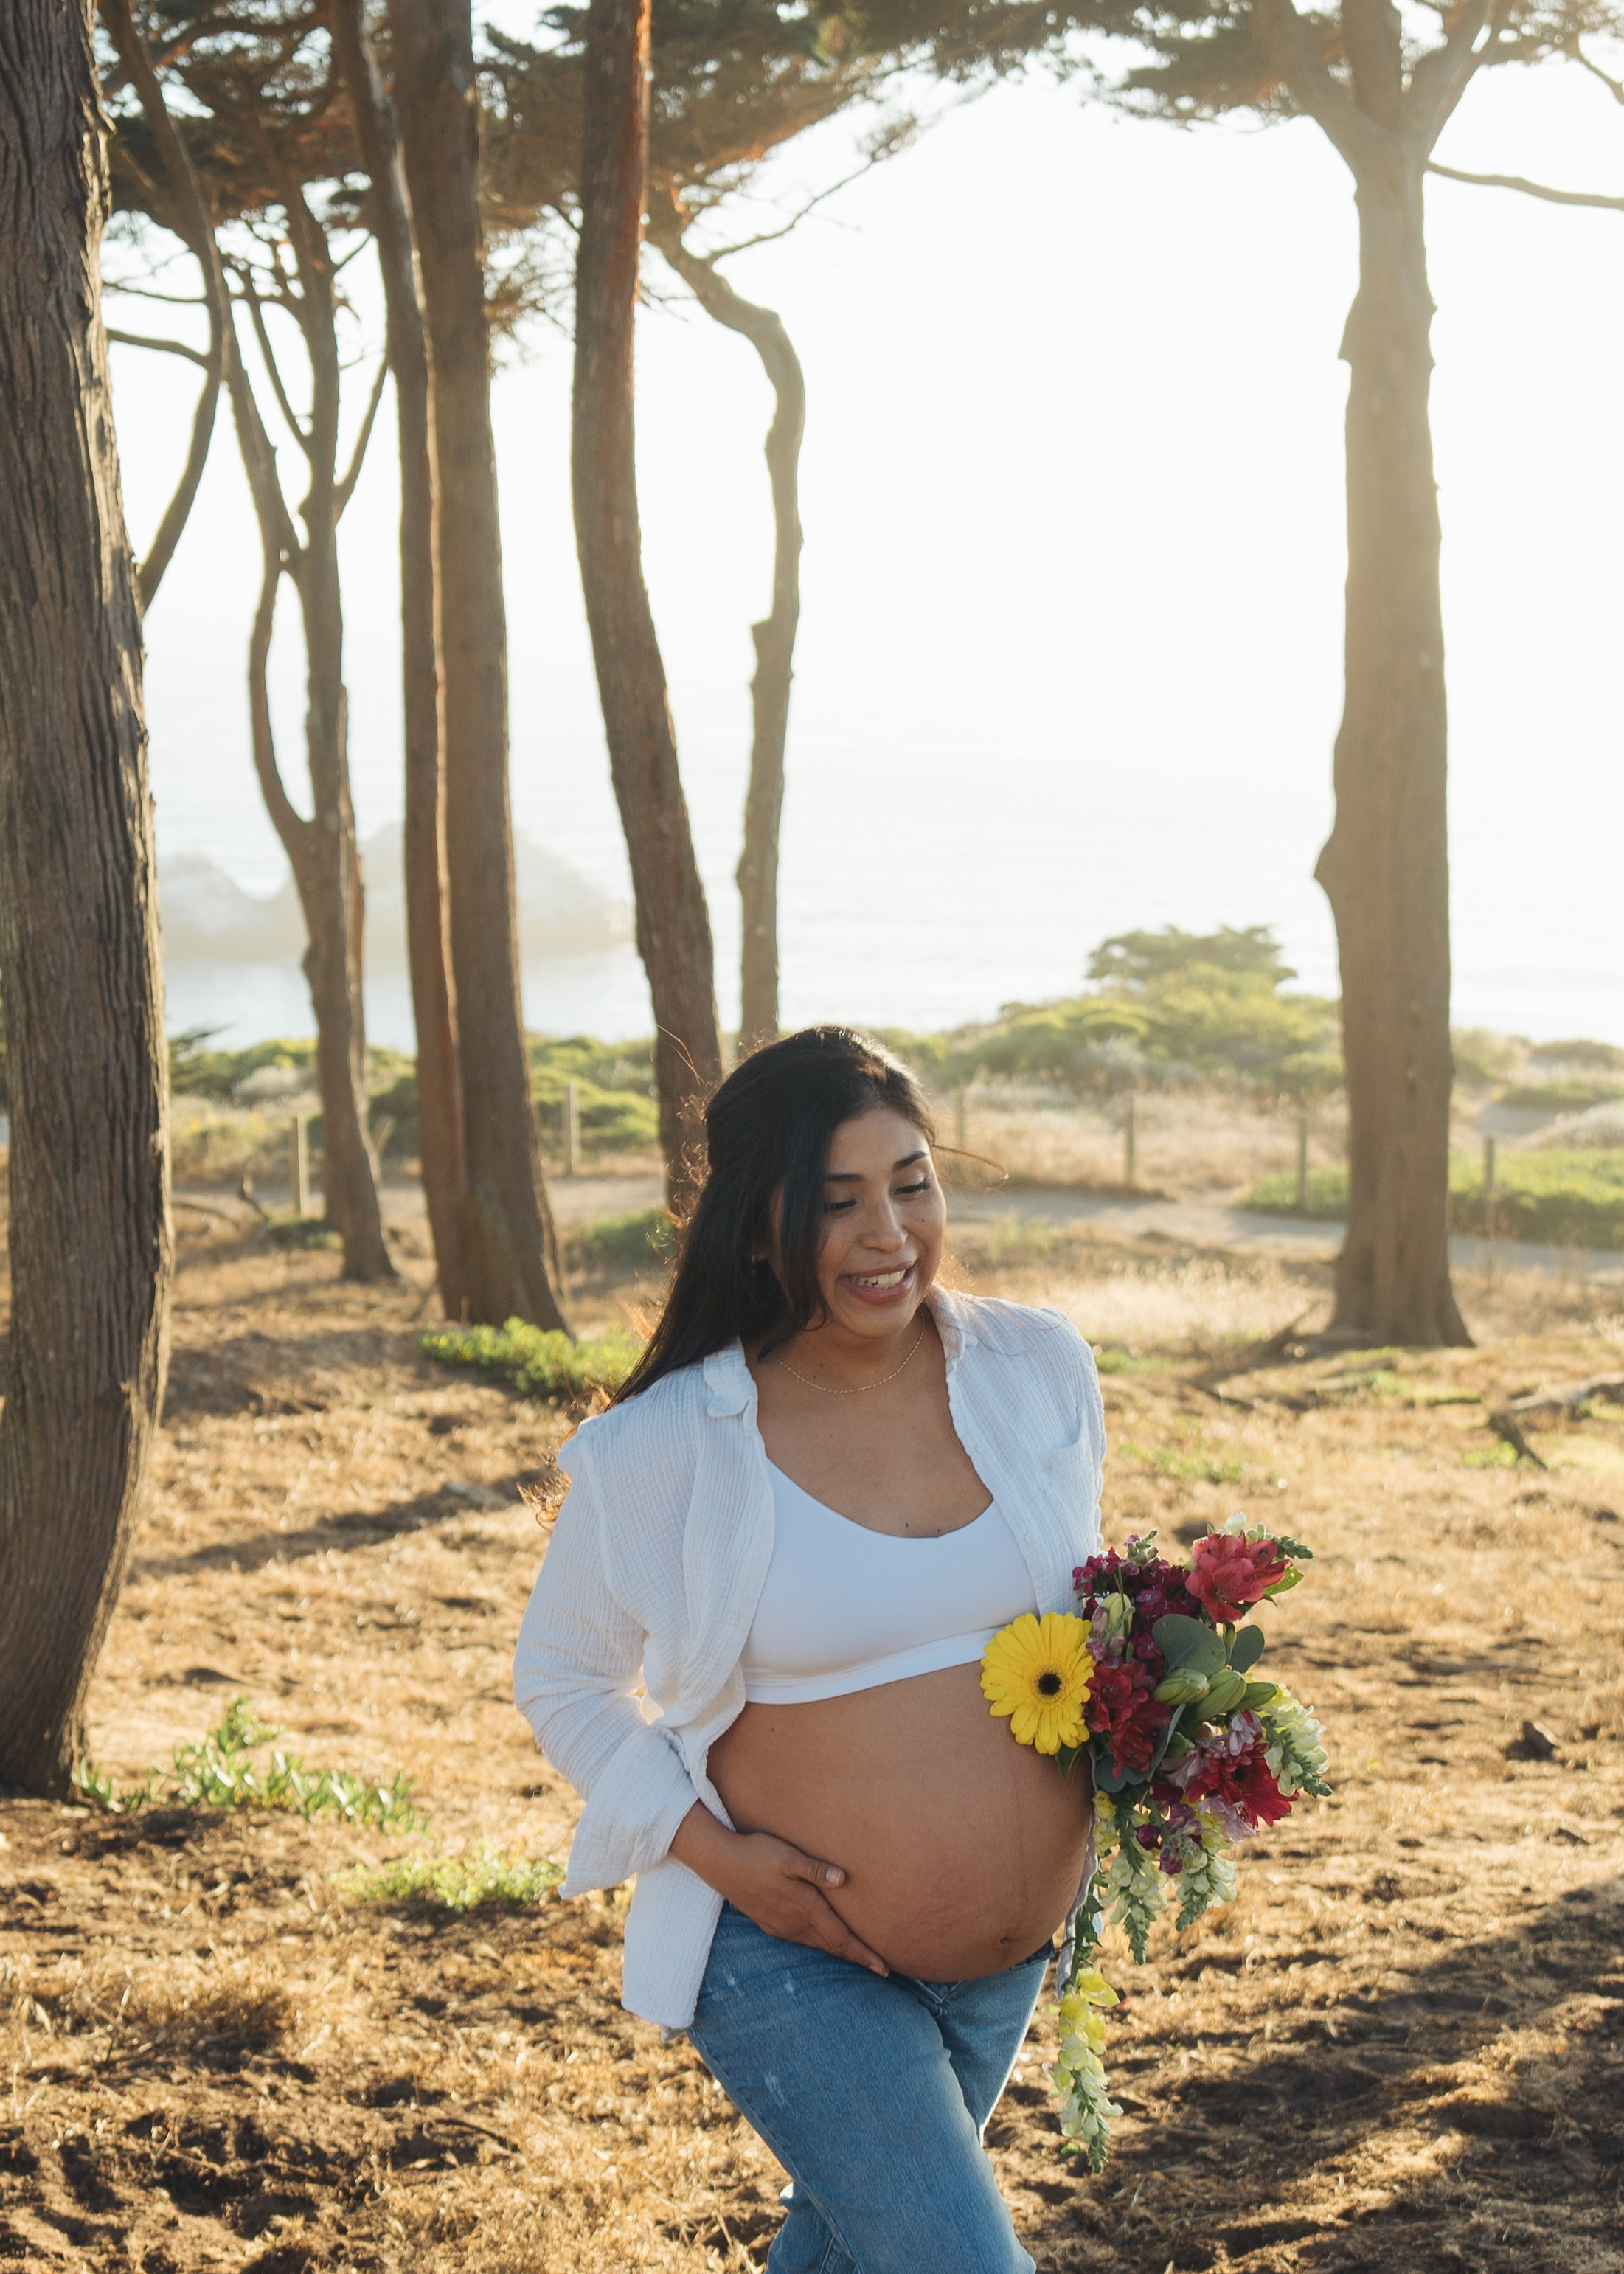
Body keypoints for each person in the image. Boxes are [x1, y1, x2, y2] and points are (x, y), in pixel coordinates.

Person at [513, 1028, 1106, 2272]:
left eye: (910, 1182)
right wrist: (714, 1856)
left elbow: (1082, 1607)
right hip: (787, 1953)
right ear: (753, 1227)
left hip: (1004, 1966)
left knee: (850, 2254)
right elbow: (563, 1677)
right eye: (835, 1202)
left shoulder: (1037, 1368)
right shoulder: (665, 1447)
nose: (888, 1233)